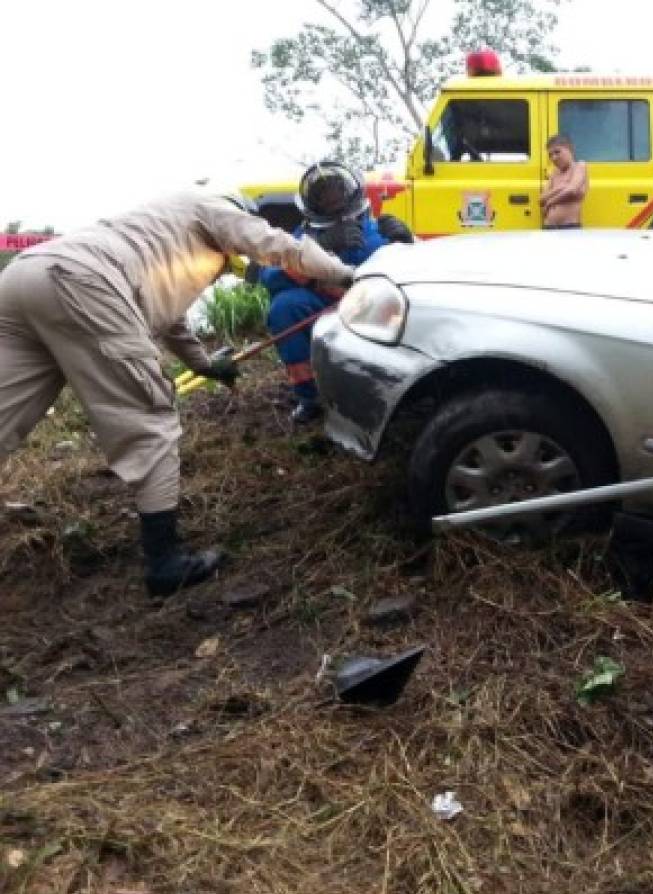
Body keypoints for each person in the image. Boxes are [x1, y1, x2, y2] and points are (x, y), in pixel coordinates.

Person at [0, 192, 355, 596]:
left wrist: (204, 364)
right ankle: (165, 560)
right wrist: (347, 275)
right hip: (83, 283)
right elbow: (280, 247)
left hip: (21, 278)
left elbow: (169, 317)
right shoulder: (213, 207)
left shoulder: (161, 229)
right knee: (150, 419)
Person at [262, 161, 411, 423]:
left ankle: (397, 392)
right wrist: (318, 248)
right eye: (324, 195)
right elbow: (271, 276)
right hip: (326, 306)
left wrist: (406, 243)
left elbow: (417, 277)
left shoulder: (379, 227)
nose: (333, 200)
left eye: (337, 192)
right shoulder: (304, 236)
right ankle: (310, 398)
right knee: (284, 308)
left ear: (351, 192)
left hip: (375, 307)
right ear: (313, 203)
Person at [541, 134, 589, 229]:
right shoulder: (554, 173)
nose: (553, 158)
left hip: (569, 227)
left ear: (570, 149)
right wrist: (561, 187)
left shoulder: (579, 166)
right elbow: (541, 199)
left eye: (557, 152)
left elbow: (572, 189)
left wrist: (550, 202)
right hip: (549, 226)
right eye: (550, 155)